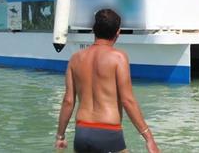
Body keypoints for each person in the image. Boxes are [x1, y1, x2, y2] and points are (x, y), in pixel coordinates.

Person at [54, 9, 159, 153]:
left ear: (93, 30)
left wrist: (60, 136)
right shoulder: (118, 58)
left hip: (82, 133)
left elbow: (68, 101)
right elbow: (127, 100)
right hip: (108, 133)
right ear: (118, 32)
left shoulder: (75, 59)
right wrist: (149, 138)